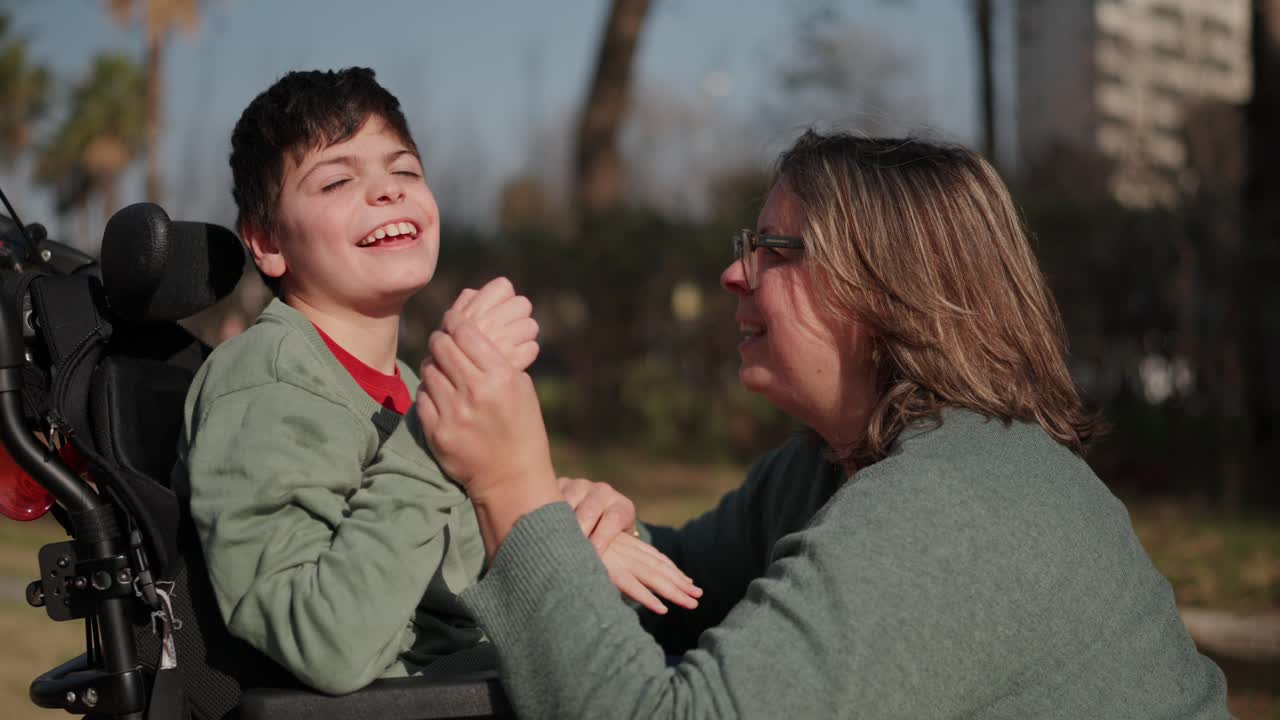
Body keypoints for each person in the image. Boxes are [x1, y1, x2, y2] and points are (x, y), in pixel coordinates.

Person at [416, 131, 1232, 718]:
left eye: (775, 249)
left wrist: (513, 489)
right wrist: (587, 533)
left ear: (886, 292)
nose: (735, 274)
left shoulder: (952, 508)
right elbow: (686, 590)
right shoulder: (831, 466)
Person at [172, 67, 698, 696]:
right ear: (267, 242)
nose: (387, 192)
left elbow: (457, 563)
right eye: (338, 179)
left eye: (405, 172)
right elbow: (324, 641)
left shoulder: (402, 385)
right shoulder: (260, 382)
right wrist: (436, 430)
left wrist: (565, 527)